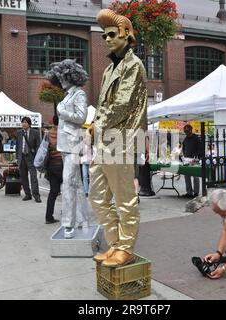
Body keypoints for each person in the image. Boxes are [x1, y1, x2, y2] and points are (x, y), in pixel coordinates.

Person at [90, 9, 148, 267]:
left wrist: (96, 124)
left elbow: (122, 104)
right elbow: (103, 104)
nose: (107, 39)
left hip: (121, 141)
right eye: (104, 36)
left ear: (126, 34)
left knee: (124, 200)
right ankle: (115, 244)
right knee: (97, 197)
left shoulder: (134, 65)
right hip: (104, 140)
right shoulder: (108, 70)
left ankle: (126, 247)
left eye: (112, 34)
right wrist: (95, 126)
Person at [45, 59, 89, 238]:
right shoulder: (67, 95)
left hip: (73, 144)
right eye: (59, 77)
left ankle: (68, 223)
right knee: (76, 183)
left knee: (68, 181)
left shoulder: (79, 94)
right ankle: (82, 219)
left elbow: (81, 117)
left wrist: (62, 112)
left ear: (72, 76)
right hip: (65, 145)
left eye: (63, 76)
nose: (61, 80)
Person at [16, 117, 41, 203]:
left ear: (29, 124)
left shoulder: (35, 133)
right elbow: (18, 146)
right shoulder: (19, 133)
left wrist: (37, 157)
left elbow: (38, 145)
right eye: (22, 122)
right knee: (23, 177)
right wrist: (17, 157)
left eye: (25, 122)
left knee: (33, 177)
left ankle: (36, 195)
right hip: (22, 157)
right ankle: (28, 194)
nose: (24, 124)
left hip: (31, 157)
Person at [45, 117, 62, 224]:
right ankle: (68, 214)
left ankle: (48, 216)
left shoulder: (48, 134)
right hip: (62, 165)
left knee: (53, 192)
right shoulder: (63, 133)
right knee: (68, 190)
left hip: (51, 165)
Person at [182, 124, 201, 198]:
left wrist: (196, 157)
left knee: (195, 176)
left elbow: (200, 149)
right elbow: (184, 147)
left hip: (194, 160)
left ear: (191, 130)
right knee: (187, 176)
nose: (186, 133)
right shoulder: (186, 138)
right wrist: (184, 155)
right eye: (185, 132)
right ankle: (189, 192)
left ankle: (196, 193)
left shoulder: (196, 138)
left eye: (187, 131)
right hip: (187, 159)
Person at [81, 124, 93, 197]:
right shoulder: (83, 142)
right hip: (84, 161)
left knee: (91, 177)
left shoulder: (93, 142)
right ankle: (86, 191)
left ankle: (91, 191)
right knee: (85, 176)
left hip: (91, 162)